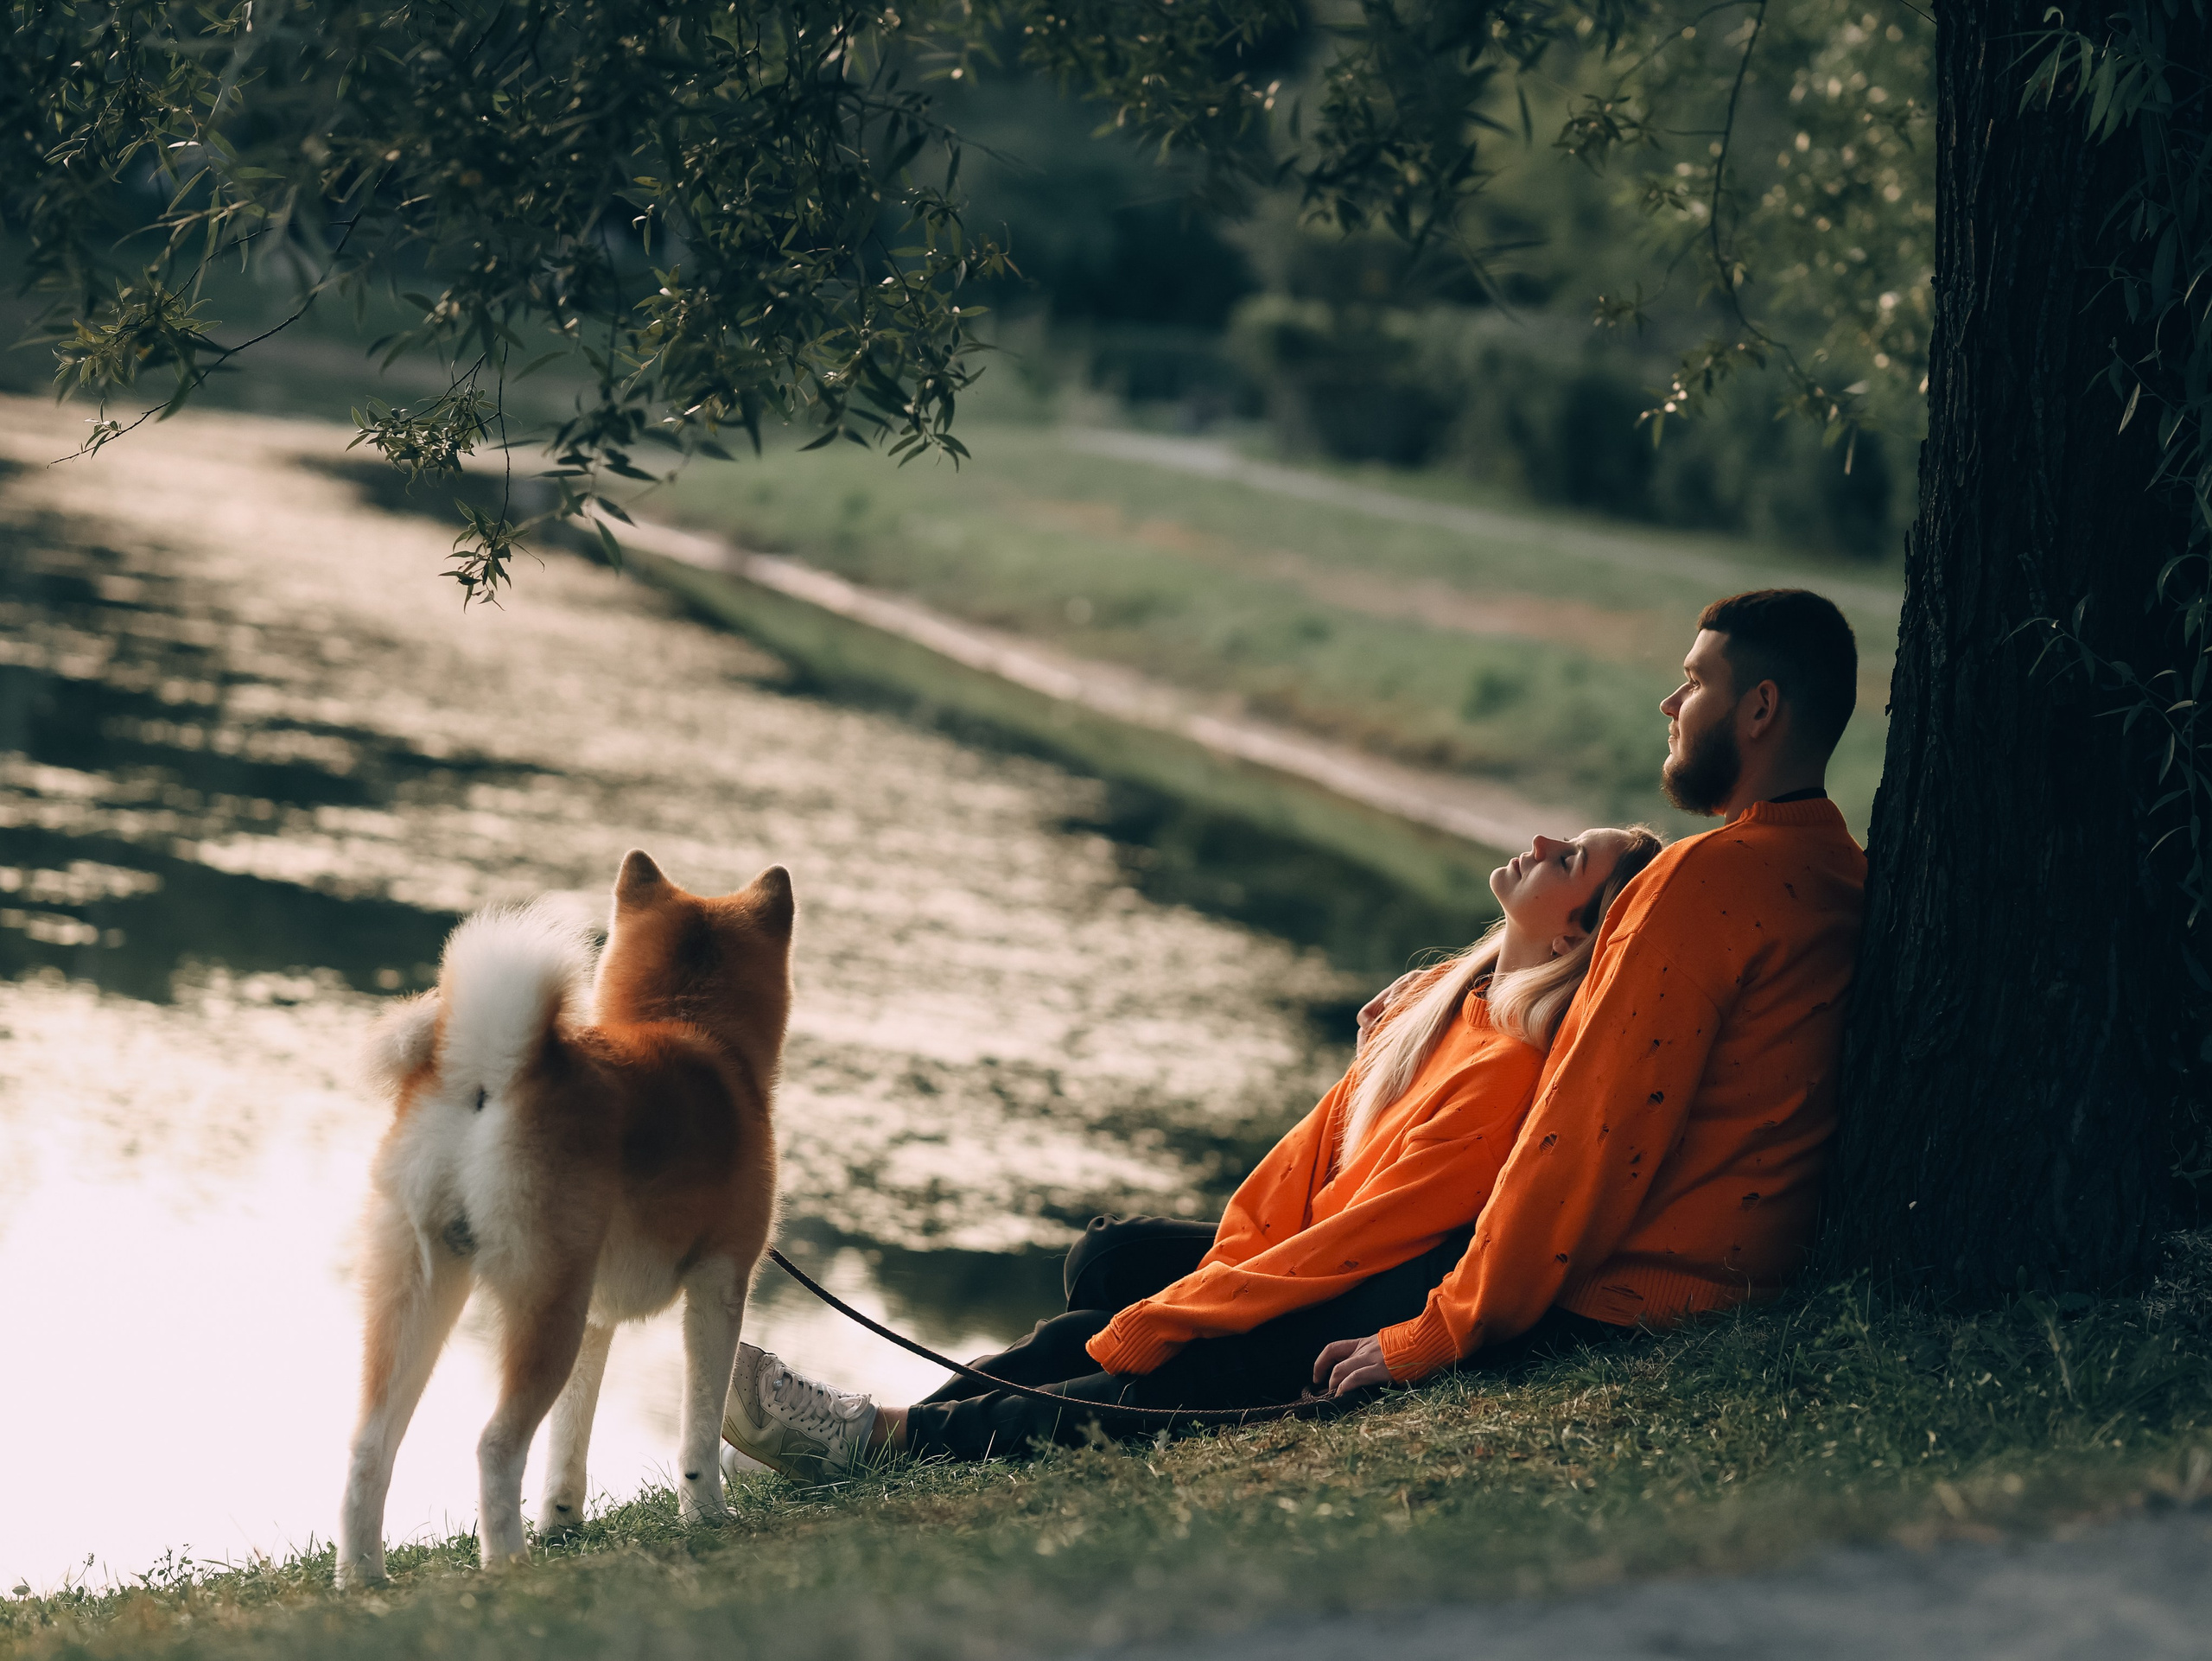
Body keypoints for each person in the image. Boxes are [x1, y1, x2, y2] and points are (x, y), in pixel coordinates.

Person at [721, 820, 1664, 1474]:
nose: (1541, 842)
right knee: (1112, 1275)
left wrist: (1188, 1308)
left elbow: (1358, 1236)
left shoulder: (1504, 1068)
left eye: (1572, 854)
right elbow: (1320, 1171)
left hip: (1347, 1289)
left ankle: (887, 1442)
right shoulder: (1447, 1006)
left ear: (1578, 928)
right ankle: (881, 1432)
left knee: (1155, 1355)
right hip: (1315, 1254)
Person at [1313, 586, 1868, 1395]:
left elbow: (1588, 1136)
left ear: (1760, 709)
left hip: (1620, 1305)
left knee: (1128, 1350)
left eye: (1694, 680)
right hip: (1730, 1287)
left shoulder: (1701, 880)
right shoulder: (1845, 873)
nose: (1669, 703)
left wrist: (1440, 1331)